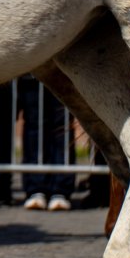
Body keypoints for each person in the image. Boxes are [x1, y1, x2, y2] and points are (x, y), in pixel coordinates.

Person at [19, 77, 76, 212]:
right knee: (34, 125)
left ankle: (61, 188)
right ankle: (36, 187)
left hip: (62, 72)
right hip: (31, 74)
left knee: (62, 125)